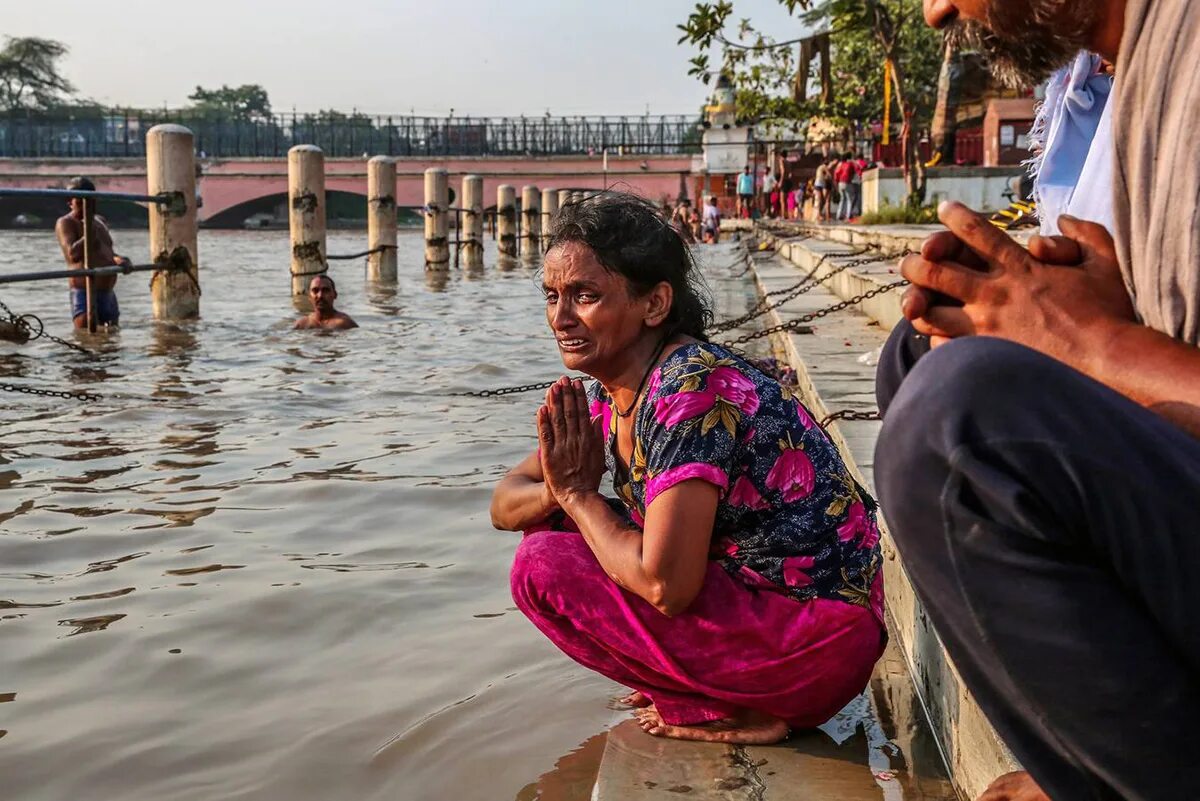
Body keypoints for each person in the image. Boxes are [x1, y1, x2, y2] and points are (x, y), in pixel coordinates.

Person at [876, 1, 1200, 799]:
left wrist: (1090, 343)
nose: (936, 11)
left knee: (959, 429)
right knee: (917, 354)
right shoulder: (1137, 63)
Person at [491, 192, 885, 745]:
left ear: (653, 305)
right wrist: (562, 492)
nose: (560, 318)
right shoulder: (617, 395)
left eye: (585, 296)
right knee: (550, 526)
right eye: (552, 296)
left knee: (543, 562)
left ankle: (727, 707)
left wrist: (580, 496)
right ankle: (700, 690)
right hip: (785, 632)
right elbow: (504, 504)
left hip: (816, 645)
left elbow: (665, 586)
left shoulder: (690, 389)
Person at [54, 177, 131, 329]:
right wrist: (88, 233)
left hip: (107, 291)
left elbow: (107, 252)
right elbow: (72, 254)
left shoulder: (100, 220)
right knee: (85, 337)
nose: (86, 205)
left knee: (111, 339)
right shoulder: (66, 222)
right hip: (85, 289)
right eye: (80, 202)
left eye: (90, 201)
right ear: (70, 202)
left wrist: (120, 260)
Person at [294, 275, 358, 330]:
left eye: (325, 290)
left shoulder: (345, 323)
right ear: (309, 296)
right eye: (315, 291)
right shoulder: (302, 324)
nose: (320, 295)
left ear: (335, 295)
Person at [834, 154, 856, 221]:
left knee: (842, 199)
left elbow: (836, 173)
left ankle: (839, 215)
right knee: (850, 199)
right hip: (847, 182)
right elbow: (854, 171)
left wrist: (836, 182)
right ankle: (849, 215)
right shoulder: (850, 164)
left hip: (840, 183)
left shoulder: (840, 165)